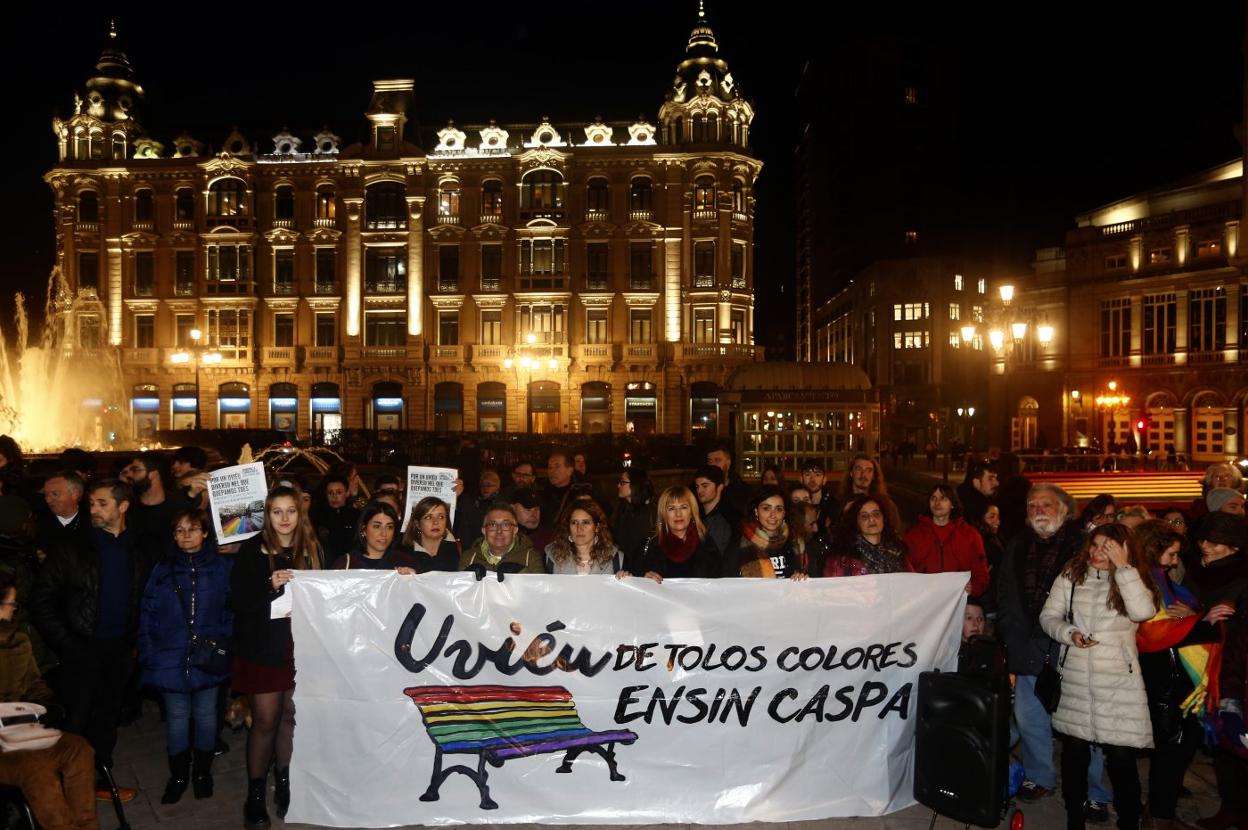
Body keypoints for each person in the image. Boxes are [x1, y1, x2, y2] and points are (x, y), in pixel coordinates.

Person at [997, 483, 1112, 811]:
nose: (1038, 511)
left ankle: (1094, 792)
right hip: (1027, 647)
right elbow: (1005, 593)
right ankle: (1039, 776)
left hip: (1072, 648)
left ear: (1065, 510)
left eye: (1046, 505)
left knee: (1083, 723)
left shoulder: (1085, 546)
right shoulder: (1017, 545)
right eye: (1032, 506)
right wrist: (1010, 632)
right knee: (1029, 715)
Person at [29, 478, 144, 802]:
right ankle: (59, 791)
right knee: (74, 721)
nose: (93, 509)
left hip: (120, 649)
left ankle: (99, 781)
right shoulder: (72, 547)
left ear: (123, 507)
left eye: (102, 503)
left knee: (106, 720)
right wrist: (68, 642)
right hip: (82, 649)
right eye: (91, 503)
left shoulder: (138, 546)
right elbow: (41, 600)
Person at [1039, 523, 1159, 830]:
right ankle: (1074, 821)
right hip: (1077, 679)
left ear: (1122, 550)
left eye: (1107, 547)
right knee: (1074, 758)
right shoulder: (1072, 575)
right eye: (1094, 545)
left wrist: (1123, 568)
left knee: (1122, 762)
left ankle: (1130, 822)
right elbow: (1048, 616)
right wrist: (1069, 633)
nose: (1096, 552)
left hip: (1119, 684)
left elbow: (1143, 612)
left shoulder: (1134, 578)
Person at [230, 485, 322, 829]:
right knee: (265, 721)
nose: (284, 518)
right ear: (267, 516)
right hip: (262, 649)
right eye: (276, 511)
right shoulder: (252, 551)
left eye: (291, 511)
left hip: (299, 649)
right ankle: (255, 795)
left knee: (290, 718)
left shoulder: (312, 549)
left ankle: (285, 785)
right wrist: (267, 586)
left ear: (301, 513)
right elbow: (237, 603)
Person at [1134, 519, 1232, 830]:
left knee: (1178, 747)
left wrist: (1195, 617)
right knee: (1173, 748)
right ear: (1153, 549)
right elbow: (1149, 634)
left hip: (1178, 680)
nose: (1176, 561)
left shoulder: (1162, 581)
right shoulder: (1141, 584)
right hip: (1165, 681)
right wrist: (1201, 621)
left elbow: (1177, 621)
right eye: (1171, 554)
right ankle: (1160, 818)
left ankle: (1159, 811)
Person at [138, 508, 232, 804]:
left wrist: (223, 642)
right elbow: (147, 613)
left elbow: (232, 609)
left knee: (206, 716)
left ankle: (202, 773)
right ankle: (178, 775)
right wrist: (150, 652)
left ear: (205, 533)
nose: (186, 536)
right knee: (177, 717)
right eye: (179, 530)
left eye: (192, 529)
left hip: (207, 656)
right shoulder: (163, 569)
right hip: (169, 656)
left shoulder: (220, 568)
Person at [0, 570, 100, 830]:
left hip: (25, 731)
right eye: (11, 604)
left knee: (79, 749)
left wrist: (48, 709)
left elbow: (36, 686)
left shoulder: (18, 640)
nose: (14, 610)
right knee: (38, 768)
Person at [1186, 513, 1248, 830]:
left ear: (1233, 547)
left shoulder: (1243, 579)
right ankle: (1231, 809)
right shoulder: (1199, 575)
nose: (1204, 546)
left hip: (1239, 675)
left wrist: (1232, 618)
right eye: (1203, 539)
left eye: (1213, 541)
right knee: (1225, 746)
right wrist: (1195, 617)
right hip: (1209, 673)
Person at [904, 484, 990, 596]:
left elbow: (980, 571)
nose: (937, 503)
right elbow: (905, 568)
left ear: (952, 504)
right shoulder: (914, 534)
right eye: (933, 498)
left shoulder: (969, 535)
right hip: (924, 600)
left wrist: (974, 587)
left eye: (943, 498)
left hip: (958, 602)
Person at [627, 486, 720, 580]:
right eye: (671, 508)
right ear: (663, 514)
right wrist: (643, 578)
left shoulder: (706, 545)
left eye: (683, 507)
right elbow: (631, 576)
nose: (678, 514)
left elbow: (718, 585)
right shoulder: (650, 543)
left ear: (692, 512)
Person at [727, 486, 809, 580]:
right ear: (756, 511)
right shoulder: (738, 545)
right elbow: (728, 586)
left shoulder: (796, 542)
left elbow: (808, 578)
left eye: (778, 509)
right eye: (766, 508)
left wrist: (802, 578)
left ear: (784, 513)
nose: (773, 515)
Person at [824, 494, 909, 577]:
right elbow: (835, 588)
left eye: (876, 514)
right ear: (856, 523)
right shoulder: (843, 559)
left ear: (884, 519)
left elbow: (912, 582)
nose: (871, 519)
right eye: (864, 516)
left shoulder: (897, 551)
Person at [331, 501, 416, 571]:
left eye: (389, 527)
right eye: (377, 526)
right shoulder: (346, 564)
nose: (384, 533)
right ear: (363, 530)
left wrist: (414, 581)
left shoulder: (406, 562)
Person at [460, 503, 542, 574]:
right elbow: (457, 590)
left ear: (515, 530)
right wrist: (467, 577)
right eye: (493, 525)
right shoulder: (469, 557)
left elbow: (540, 589)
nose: (499, 531)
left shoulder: (530, 558)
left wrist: (522, 572)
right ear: (484, 530)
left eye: (506, 525)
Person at [545, 502, 623, 575]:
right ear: (568, 528)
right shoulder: (552, 557)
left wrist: (627, 580)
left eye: (585, 522)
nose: (579, 528)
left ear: (597, 527)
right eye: (574, 522)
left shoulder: (615, 559)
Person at [692, 465, 739, 565]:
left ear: (720, 487)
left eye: (705, 486)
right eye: (697, 486)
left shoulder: (726, 518)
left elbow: (713, 559)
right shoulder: (696, 515)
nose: (699, 491)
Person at [400, 497, 460, 573]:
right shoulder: (403, 555)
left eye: (441, 517)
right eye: (428, 517)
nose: (435, 522)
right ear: (417, 524)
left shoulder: (456, 550)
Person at [611, 468, 655, 562]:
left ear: (635, 484)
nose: (618, 485)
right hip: (624, 569)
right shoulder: (621, 510)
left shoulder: (651, 512)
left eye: (622, 482)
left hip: (644, 570)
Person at [311, 474, 359, 561]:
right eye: (330, 493)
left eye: (339, 492)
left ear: (347, 493)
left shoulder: (356, 516)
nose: (334, 497)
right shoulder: (318, 517)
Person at [706, 442, 751, 517]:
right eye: (710, 461)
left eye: (717, 460)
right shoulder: (700, 489)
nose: (713, 465)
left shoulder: (743, 491)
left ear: (728, 463)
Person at [956, 458, 999, 532]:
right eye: (990, 479)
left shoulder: (986, 501)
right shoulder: (972, 510)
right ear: (976, 482)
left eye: (996, 478)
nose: (997, 483)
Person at [800, 461, 839, 532]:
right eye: (807, 474)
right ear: (801, 479)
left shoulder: (833, 505)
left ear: (824, 479)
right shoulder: (796, 501)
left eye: (817, 475)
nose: (812, 479)